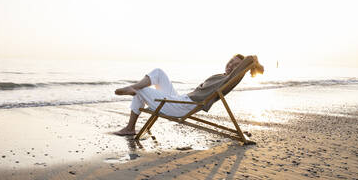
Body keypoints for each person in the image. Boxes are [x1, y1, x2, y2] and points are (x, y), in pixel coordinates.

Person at [113, 54, 264, 136]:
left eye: (236, 65)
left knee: (142, 91)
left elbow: (250, 59)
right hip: (181, 100)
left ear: (239, 69)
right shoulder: (221, 76)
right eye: (231, 61)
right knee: (158, 72)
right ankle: (134, 88)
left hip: (183, 107)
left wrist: (254, 64)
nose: (231, 65)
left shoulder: (229, 79)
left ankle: (130, 126)